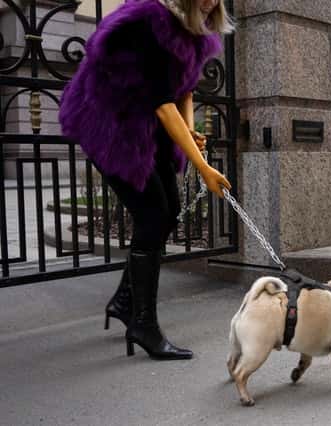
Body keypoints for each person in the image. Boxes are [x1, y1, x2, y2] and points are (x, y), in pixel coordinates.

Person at [59, 0, 233, 360]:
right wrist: (203, 167)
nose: (211, 1)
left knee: (166, 213)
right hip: (110, 124)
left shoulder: (194, 32)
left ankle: (125, 301)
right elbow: (162, 102)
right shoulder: (148, 22)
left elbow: (183, 91)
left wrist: (188, 131)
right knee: (153, 213)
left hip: (148, 127)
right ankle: (143, 324)